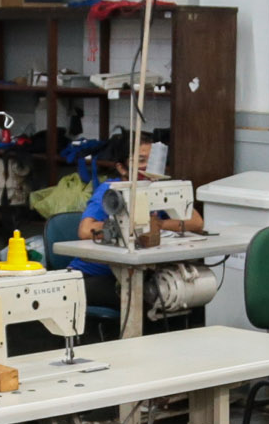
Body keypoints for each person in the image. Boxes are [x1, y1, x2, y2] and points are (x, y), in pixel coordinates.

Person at [71, 134, 208, 330]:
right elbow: (85, 230)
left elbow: (196, 222)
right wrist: (125, 225)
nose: (147, 167)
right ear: (121, 167)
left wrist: (158, 225)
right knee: (151, 298)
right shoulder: (110, 191)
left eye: (151, 160)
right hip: (93, 276)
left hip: (135, 273)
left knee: (183, 297)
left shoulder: (157, 190)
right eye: (141, 160)